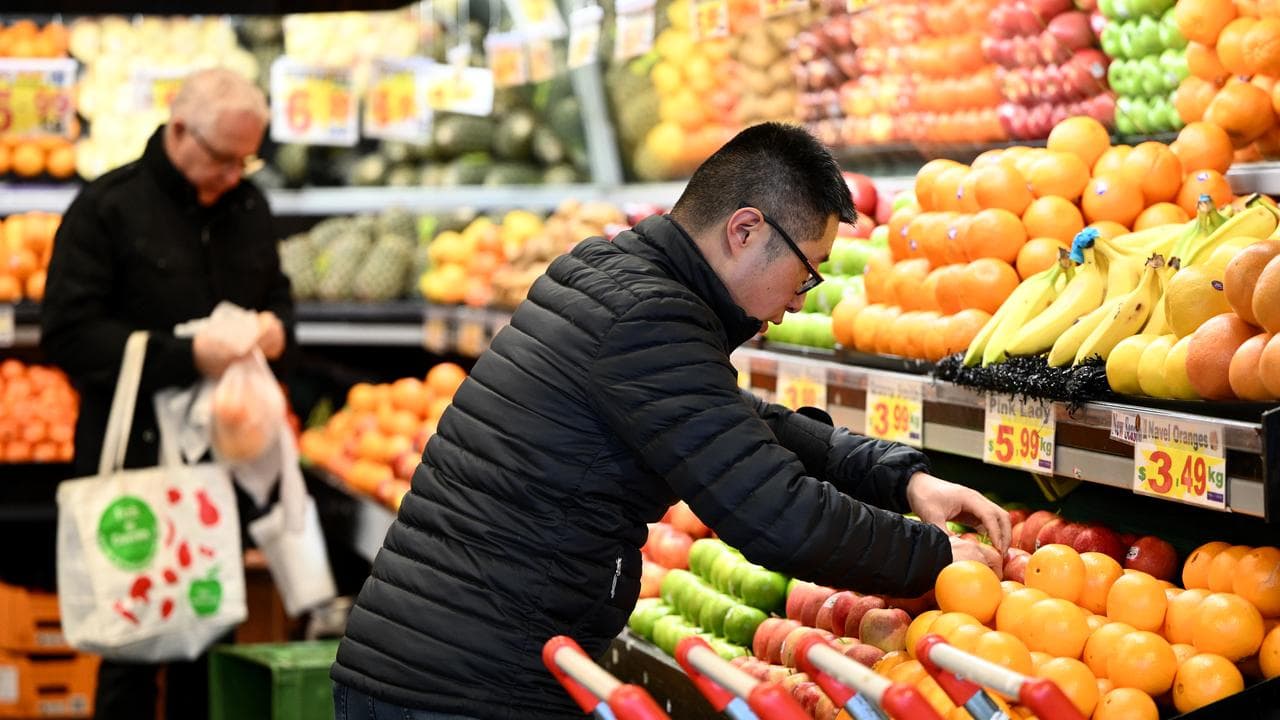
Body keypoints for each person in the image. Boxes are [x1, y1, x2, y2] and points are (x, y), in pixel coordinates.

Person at [331, 123, 1009, 719]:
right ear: (745, 231)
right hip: (465, 687)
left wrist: (898, 480)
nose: (797, 306)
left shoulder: (612, 271)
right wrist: (939, 557)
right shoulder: (647, 316)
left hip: (442, 665)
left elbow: (727, 421)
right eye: (808, 274)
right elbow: (780, 516)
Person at [41, 68, 295, 720]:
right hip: (134, 462)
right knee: (130, 647)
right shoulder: (106, 208)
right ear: (179, 131)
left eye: (248, 159)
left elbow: (279, 299)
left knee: (209, 642)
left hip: (224, 462)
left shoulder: (249, 208)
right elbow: (69, 336)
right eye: (223, 159)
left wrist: (273, 330)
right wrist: (185, 356)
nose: (236, 175)